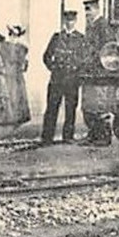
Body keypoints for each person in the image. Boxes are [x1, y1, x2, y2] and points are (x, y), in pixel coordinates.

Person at [40, 9, 88, 144]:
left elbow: (85, 59)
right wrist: (53, 67)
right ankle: (47, 137)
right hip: (57, 78)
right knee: (51, 108)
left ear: (75, 22)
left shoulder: (80, 39)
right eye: (67, 21)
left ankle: (68, 136)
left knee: (70, 108)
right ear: (64, 22)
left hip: (72, 79)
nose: (70, 24)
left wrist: (78, 73)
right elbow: (46, 56)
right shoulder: (56, 37)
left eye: (72, 21)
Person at [81, 0, 113, 146]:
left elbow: (106, 48)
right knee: (89, 104)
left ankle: (104, 136)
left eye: (90, 10)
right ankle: (93, 134)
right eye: (86, 11)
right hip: (89, 70)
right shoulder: (91, 25)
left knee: (100, 105)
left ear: (97, 9)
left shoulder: (102, 24)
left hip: (99, 71)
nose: (87, 13)